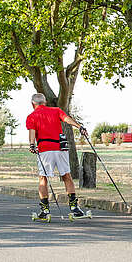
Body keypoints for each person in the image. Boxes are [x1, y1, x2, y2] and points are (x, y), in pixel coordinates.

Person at [26, 93, 88, 221]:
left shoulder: (32, 116)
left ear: (33, 104)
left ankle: (45, 210)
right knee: (67, 176)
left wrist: (32, 145)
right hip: (61, 148)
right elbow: (67, 119)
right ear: (45, 102)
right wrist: (79, 127)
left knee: (43, 178)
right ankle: (74, 208)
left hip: (45, 149)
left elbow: (32, 131)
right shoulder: (56, 110)